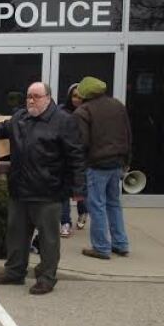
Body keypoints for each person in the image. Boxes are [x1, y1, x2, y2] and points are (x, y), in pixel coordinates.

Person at [0, 81, 85, 295]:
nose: (31, 100)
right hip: (19, 190)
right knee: (16, 236)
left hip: (48, 192)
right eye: (29, 96)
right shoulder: (19, 118)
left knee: (49, 239)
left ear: (48, 98)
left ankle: (47, 277)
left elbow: (76, 156)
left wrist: (79, 189)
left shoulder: (64, 121)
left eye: (37, 96)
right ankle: (14, 272)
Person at [72, 76, 132, 259]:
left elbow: (82, 143)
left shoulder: (83, 111)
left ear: (84, 93)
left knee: (96, 205)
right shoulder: (117, 105)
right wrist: (127, 161)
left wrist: (77, 168)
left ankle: (101, 247)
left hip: (96, 164)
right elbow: (128, 134)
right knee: (114, 203)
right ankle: (121, 244)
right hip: (117, 163)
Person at [59, 83, 88, 237]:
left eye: (80, 97)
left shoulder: (88, 112)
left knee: (80, 190)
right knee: (63, 192)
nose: (77, 99)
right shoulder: (61, 111)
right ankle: (65, 223)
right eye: (74, 96)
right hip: (63, 157)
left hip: (81, 157)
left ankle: (83, 212)